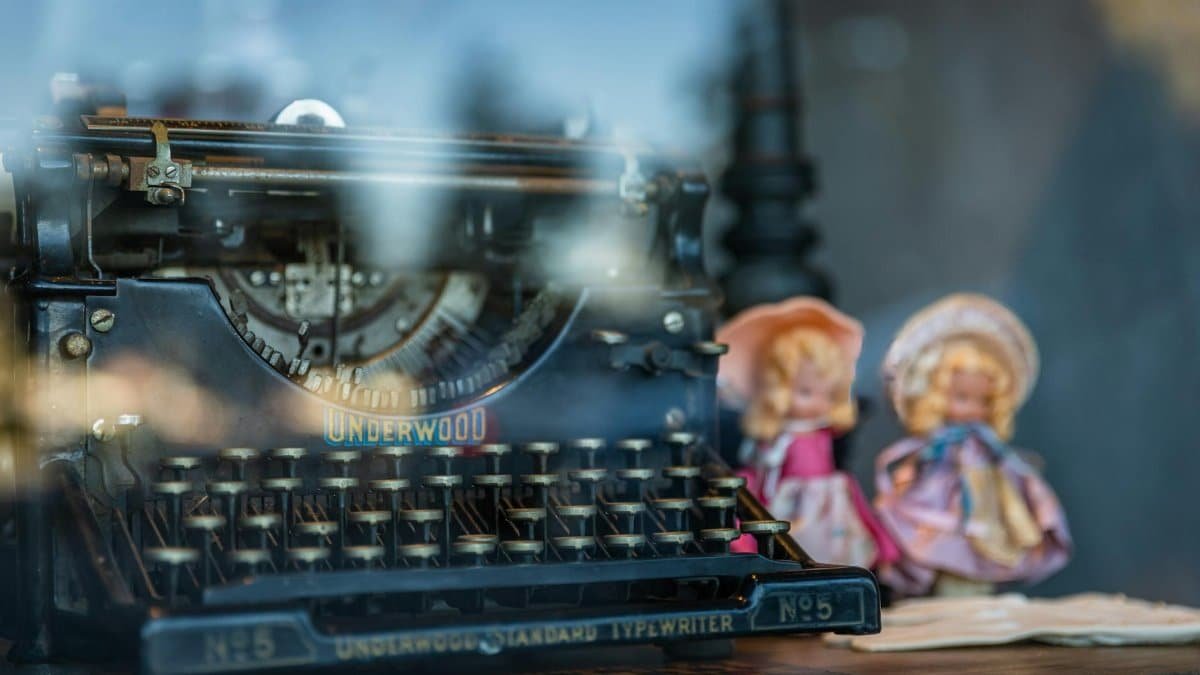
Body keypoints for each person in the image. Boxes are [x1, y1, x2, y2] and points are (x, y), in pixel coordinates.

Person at [874, 294, 1071, 596]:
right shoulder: (939, 447)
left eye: (983, 401)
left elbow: (1007, 462)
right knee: (939, 535)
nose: (973, 410)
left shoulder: (985, 443)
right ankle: (943, 579)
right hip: (942, 491)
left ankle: (977, 582)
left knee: (989, 537)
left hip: (984, 493)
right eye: (962, 398)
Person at [717, 297, 898, 568]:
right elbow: (766, 475)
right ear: (776, 390)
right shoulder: (779, 440)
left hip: (831, 503)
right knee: (795, 544)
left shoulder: (824, 432)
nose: (817, 404)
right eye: (805, 392)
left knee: (843, 543)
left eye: (828, 393)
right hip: (792, 505)